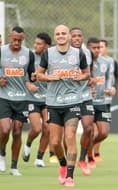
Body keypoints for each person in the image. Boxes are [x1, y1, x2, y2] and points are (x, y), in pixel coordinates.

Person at [37, 24, 90, 187]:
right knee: (54, 142)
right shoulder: (48, 53)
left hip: (73, 101)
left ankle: (70, 176)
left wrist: (80, 77)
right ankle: (62, 164)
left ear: (68, 36)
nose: (60, 36)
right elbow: (38, 74)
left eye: (63, 33)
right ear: (55, 37)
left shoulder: (78, 53)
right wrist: (50, 77)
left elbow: (87, 74)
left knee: (70, 136)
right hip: (53, 102)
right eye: (57, 33)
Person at [0, 26, 35, 176]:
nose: (17, 42)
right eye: (14, 39)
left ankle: (14, 167)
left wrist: (32, 83)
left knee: (18, 131)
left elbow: (31, 74)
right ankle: (2, 153)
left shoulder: (28, 54)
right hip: (4, 97)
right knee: (5, 129)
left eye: (20, 40)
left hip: (22, 98)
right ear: (9, 37)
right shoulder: (1, 51)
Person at [22, 32, 58, 167]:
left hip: (48, 99)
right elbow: (21, 72)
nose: (35, 46)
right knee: (36, 128)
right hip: (32, 98)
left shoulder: (53, 57)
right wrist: (28, 84)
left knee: (48, 128)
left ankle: (39, 158)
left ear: (46, 46)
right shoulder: (29, 56)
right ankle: (28, 144)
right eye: (35, 43)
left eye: (39, 44)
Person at [86, 37, 114, 169]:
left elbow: (108, 77)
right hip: (88, 101)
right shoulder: (84, 62)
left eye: (98, 48)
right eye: (94, 48)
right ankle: (90, 157)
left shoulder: (106, 62)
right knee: (90, 130)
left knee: (104, 132)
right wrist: (87, 89)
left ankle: (86, 146)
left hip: (102, 101)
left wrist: (109, 87)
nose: (97, 50)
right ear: (88, 49)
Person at [70, 27, 93, 176]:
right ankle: (67, 162)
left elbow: (89, 71)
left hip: (85, 97)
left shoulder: (87, 54)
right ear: (69, 38)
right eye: (74, 36)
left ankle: (82, 159)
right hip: (68, 98)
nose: (77, 38)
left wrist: (92, 81)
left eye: (80, 36)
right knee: (68, 133)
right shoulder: (62, 54)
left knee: (89, 128)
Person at [92, 39, 118, 162]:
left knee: (103, 131)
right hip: (92, 100)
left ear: (106, 48)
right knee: (94, 128)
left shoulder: (111, 62)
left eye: (102, 47)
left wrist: (114, 87)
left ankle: (92, 148)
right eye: (98, 47)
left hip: (106, 99)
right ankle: (95, 153)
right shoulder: (89, 61)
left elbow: (117, 77)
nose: (100, 49)